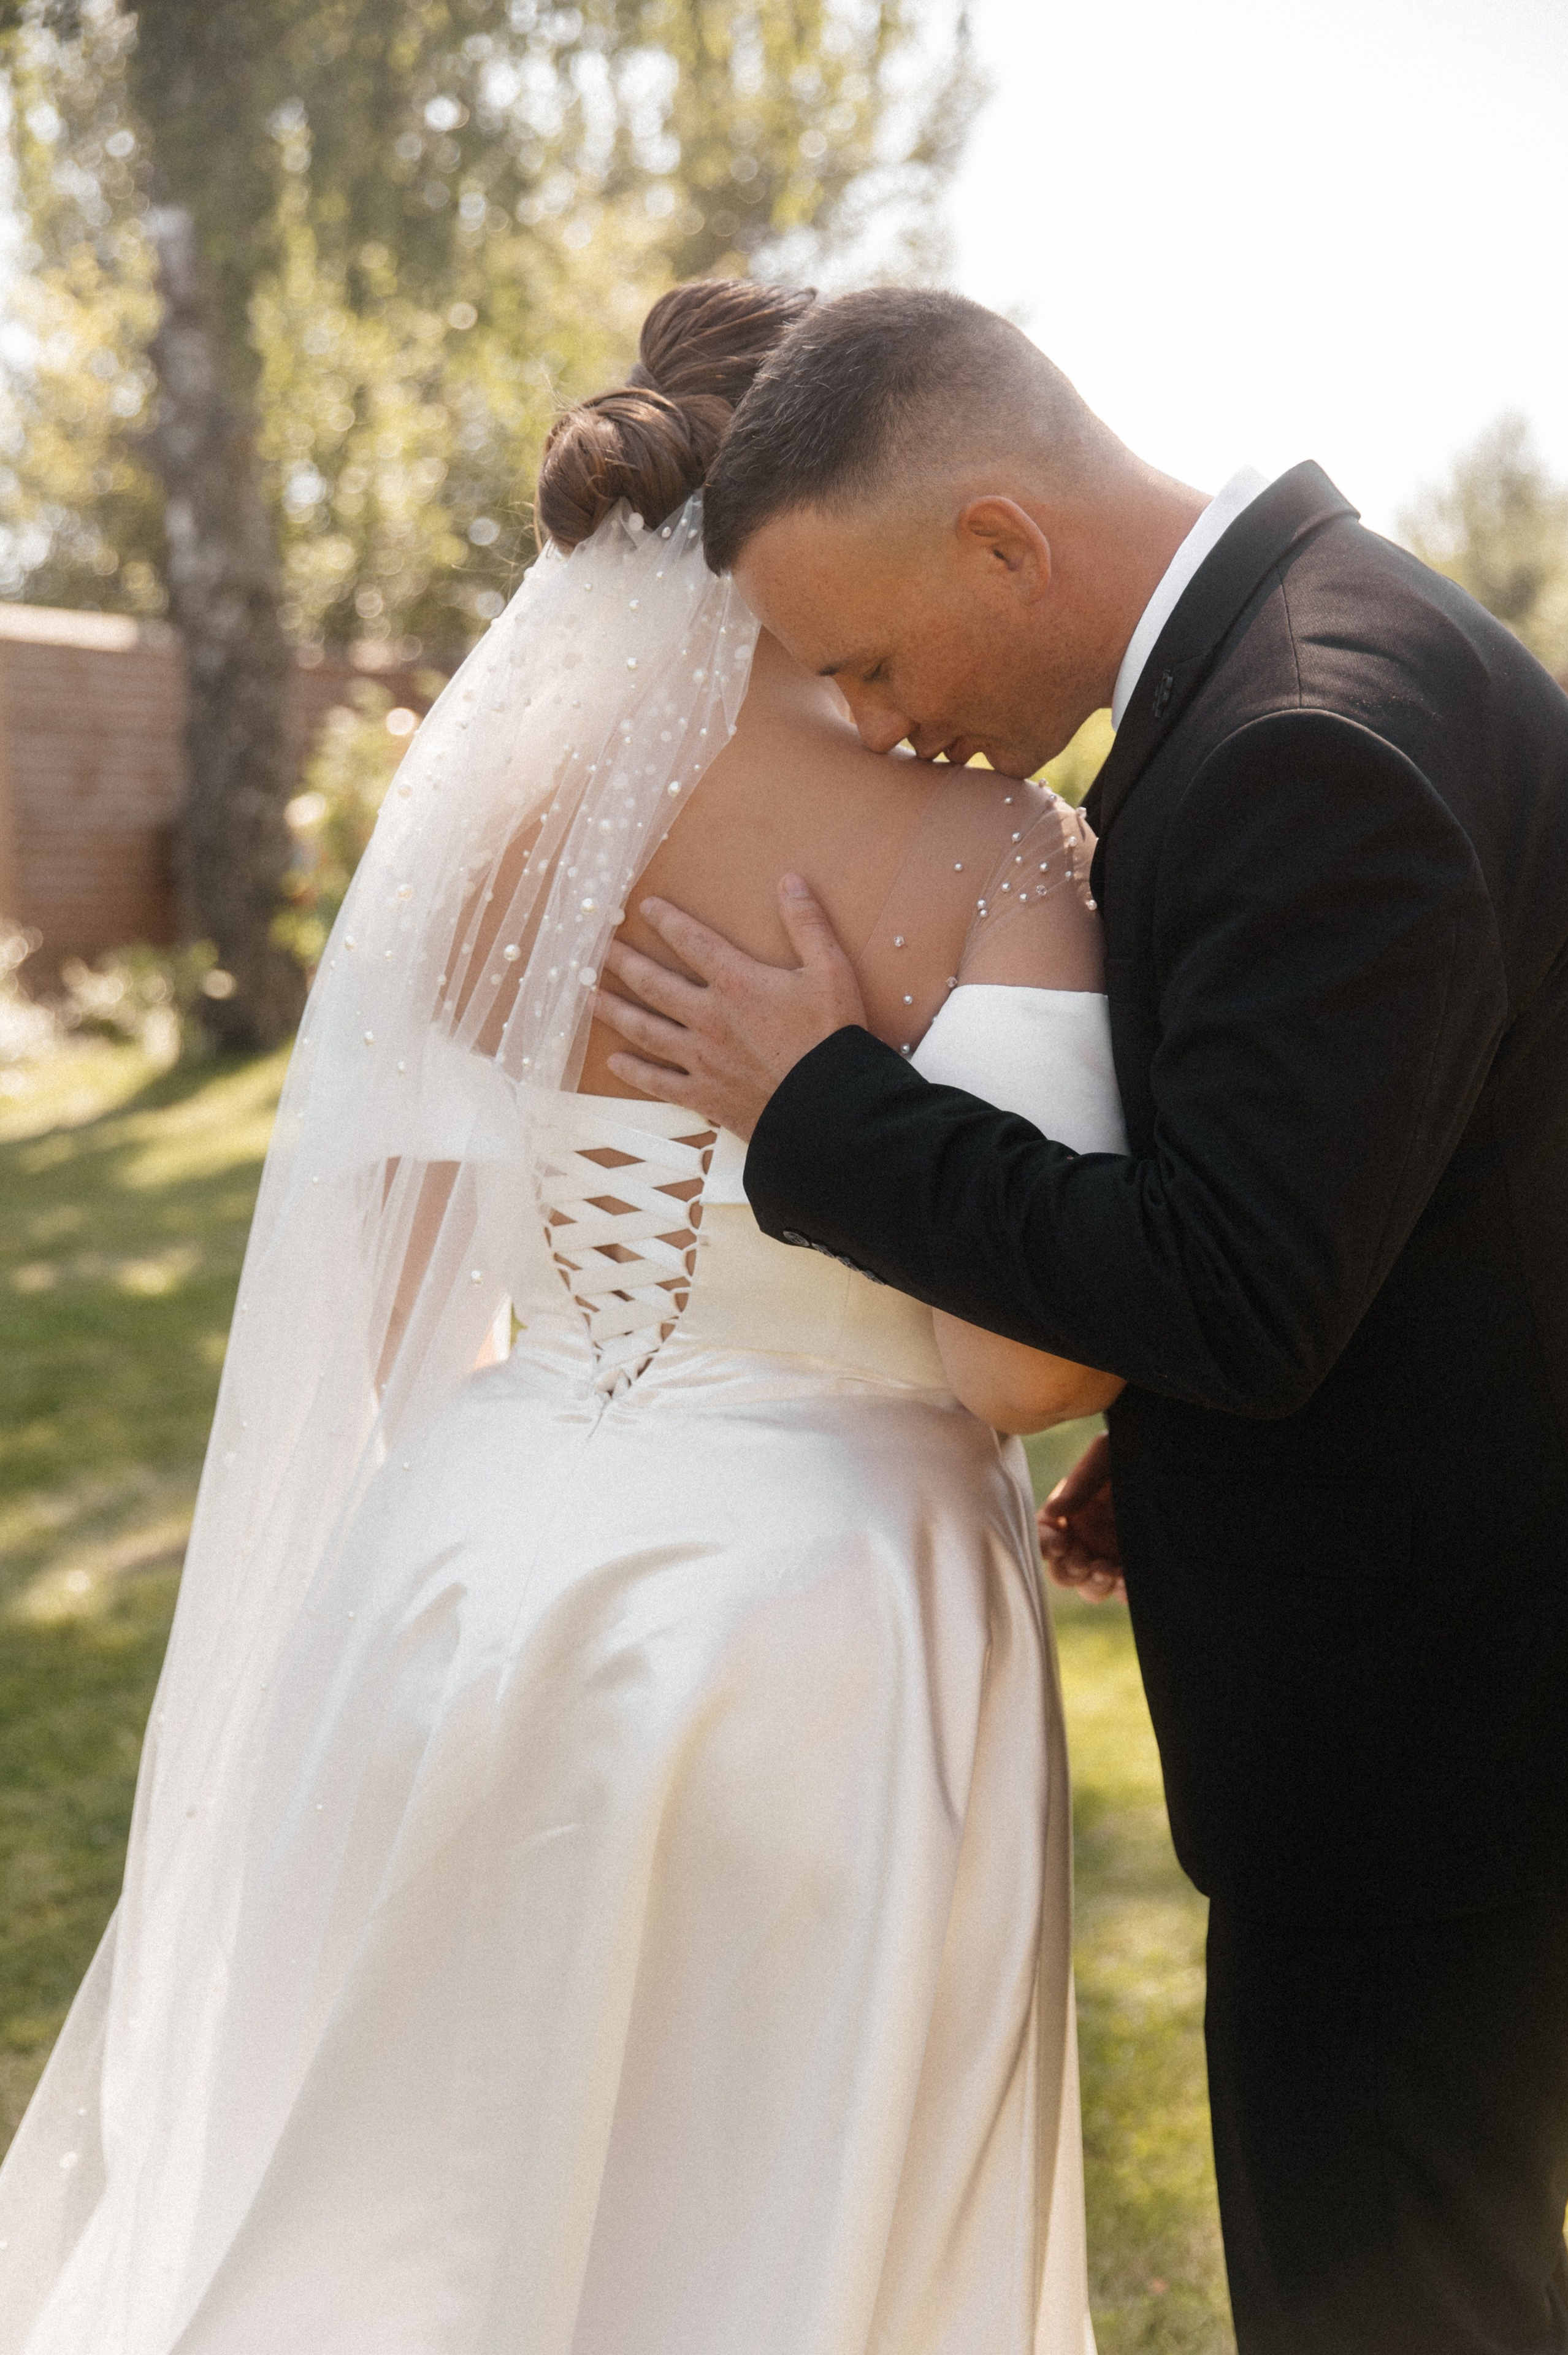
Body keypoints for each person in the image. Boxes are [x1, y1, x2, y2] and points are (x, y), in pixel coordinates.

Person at [0, 280, 1121, 2354]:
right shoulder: (995, 853)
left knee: (424, 2208)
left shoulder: (491, 838)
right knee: (754, 2221)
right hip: (827, 1618)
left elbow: (400, 1283)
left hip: (458, 1573)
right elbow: (1020, 1363)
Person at [592, 287, 1568, 2354]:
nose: (869, 720)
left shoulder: (1305, 739)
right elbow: (1379, 1192)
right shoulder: (1330, 653)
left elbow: (1238, 1283)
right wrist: (1182, 1432)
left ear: (1005, 545)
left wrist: (826, 1107)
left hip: (1426, 1761)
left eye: (869, 656)